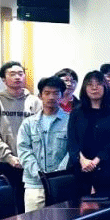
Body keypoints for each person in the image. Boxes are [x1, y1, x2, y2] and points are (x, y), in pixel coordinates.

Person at [0, 60, 41, 212]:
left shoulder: (35, 102)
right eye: (12, 74)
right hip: (3, 162)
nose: (17, 77)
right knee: (4, 208)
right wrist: (9, 157)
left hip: (29, 163)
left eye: (20, 74)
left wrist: (29, 157)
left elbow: (40, 131)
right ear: (4, 79)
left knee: (26, 207)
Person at [16, 75, 70, 211]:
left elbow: (73, 150)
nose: (51, 97)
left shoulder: (71, 121)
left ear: (62, 96)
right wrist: (39, 174)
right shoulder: (28, 123)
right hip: (34, 185)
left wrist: (57, 176)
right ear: (40, 96)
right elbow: (24, 150)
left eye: (56, 93)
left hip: (62, 184)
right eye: (47, 93)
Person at [67, 70, 110, 199]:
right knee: (78, 207)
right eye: (90, 84)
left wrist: (96, 160)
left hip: (106, 169)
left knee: (106, 206)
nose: (94, 88)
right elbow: (72, 140)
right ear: (84, 88)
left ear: (105, 87)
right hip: (80, 168)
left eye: (98, 84)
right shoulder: (76, 112)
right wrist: (82, 160)